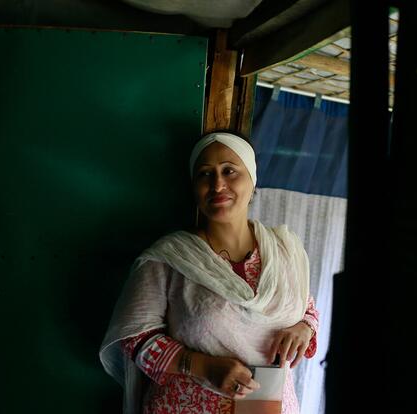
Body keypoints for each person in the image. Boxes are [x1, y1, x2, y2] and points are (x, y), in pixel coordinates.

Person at [99, 131, 320, 414]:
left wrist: (304, 328)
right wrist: (203, 367)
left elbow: (307, 309)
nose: (218, 184)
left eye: (229, 170)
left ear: (252, 179)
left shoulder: (285, 252)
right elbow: (135, 338)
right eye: (205, 174)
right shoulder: (170, 259)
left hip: (267, 406)